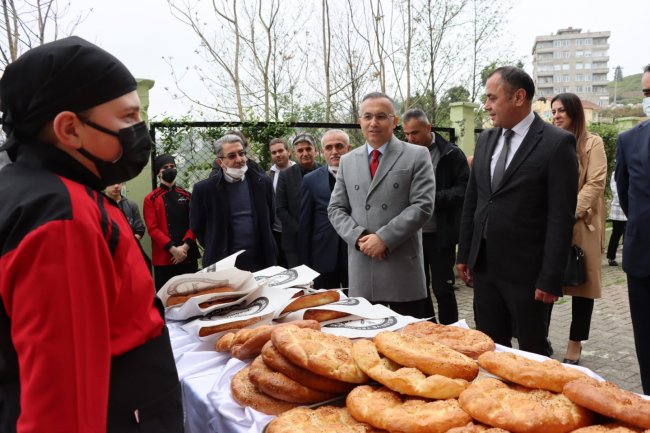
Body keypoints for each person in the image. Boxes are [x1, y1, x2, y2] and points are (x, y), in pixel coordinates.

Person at [0, 36, 183, 432]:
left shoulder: (35, 190)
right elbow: (62, 405)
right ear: (69, 129)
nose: (140, 131)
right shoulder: (62, 218)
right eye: (128, 117)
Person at [456, 66, 578, 356]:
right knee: (489, 346)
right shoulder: (486, 140)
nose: (486, 105)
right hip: (485, 267)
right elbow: (473, 201)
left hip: (528, 273)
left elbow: (560, 217)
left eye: (492, 98)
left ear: (519, 97)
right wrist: (465, 254)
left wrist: (550, 278)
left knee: (532, 350)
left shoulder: (556, 143)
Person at [328, 92, 435, 318]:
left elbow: (423, 205)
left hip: (401, 266)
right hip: (363, 264)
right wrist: (359, 238)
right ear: (360, 122)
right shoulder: (348, 161)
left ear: (394, 121)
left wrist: (384, 238)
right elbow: (335, 208)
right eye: (367, 117)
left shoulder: (416, 155)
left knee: (406, 343)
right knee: (365, 341)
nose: (373, 123)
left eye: (381, 116)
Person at [551, 92, 607, 365]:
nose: (557, 115)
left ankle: (575, 342)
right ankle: (539, 335)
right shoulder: (549, 143)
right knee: (548, 279)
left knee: (583, 286)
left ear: (575, 112)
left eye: (562, 110)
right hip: (551, 223)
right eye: (553, 111)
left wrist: (569, 213)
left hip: (582, 222)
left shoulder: (592, 143)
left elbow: (595, 183)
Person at [402, 108, 469, 324]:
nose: (410, 138)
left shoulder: (450, 153)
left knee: (443, 289)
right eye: (407, 134)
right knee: (419, 290)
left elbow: (464, 189)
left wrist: (431, 198)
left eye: (415, 133)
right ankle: (429, 333)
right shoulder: (403, 155)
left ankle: (452, 334)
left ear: (428, 128)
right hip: (412, 235)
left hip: (441, 234)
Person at [190, 134, 276, 271]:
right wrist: (216, 244)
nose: (239, 159)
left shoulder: (262, 183)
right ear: (220, 162)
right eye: (231, 156)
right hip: (223, 264)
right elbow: (197, 226)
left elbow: (270, 216)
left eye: (241, 153)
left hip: (260, 262)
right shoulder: (204, 190)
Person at [615, 63, 650, 394]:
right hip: (642, 257)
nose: (649, 98)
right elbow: (626, 194)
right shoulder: (629, 140)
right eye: (646, 93)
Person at [299, 129, 351, 289]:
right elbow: (305, 224)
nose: (334, 152)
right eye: (329, 147)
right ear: (322, 151)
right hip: (323, 255)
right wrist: (306, 265)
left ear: (348, 149)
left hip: (354, 253)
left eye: (339, 146)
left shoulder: (363, 174)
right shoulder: (310, 180)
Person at [143, 154, 199, 290]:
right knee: (166, 301)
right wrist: (173, 250)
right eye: (165, 167)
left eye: (172, 166)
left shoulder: (187, 195)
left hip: (188, 255)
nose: (169, 169)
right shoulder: (151, 199)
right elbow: (152, 229)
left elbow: (194, 223)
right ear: (158, 172)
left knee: (192, 296)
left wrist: (184, 248)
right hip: (164, 259)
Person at [276, 133, 321, 267]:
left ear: (316, 151)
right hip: (294, 241)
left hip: (320, 239)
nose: (305, 153)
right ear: (294, 153)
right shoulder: (285, 176)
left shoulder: (324, 172)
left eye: (308, 149)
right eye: (300, 150)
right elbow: (280, 208)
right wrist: (300, 229)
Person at [105, 182, 152, 272]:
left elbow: (140, 229)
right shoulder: (98, 205)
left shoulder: (131, 205)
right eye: (112, 183)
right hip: (107, 253)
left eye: (119, 183)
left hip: (129, 252)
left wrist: (128, 245)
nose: (116, 186)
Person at [266, 138, 295, 268]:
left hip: (296, 231)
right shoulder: (267, 177)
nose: (277, 154)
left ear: (288, 152)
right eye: (274, 152)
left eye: (280, 151)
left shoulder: (300, 172)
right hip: (276, 232)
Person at [607, 171, 626, 267]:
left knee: (628, 235)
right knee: (616, 234)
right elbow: (615, 191)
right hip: (618, 209)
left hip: (630, 208)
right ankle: (611, 257)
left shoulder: (632, 170)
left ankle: (627, 258)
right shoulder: (615, 173)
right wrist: (626, 200)